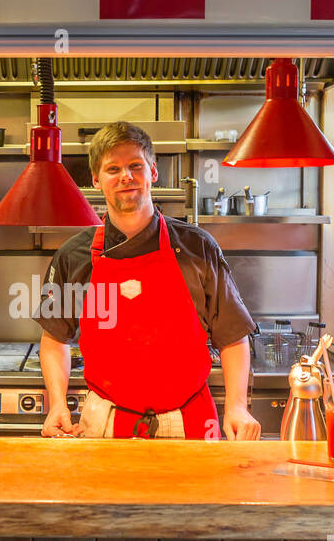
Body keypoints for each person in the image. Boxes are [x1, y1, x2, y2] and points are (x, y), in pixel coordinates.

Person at [36, 122, 262, 440]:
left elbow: (233, 338)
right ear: (96, 179)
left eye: (135, 165)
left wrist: (237, 406)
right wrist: (57, 403)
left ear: (152, 171)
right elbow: (55, 340)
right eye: (113, 168)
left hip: (190, 418)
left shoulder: (197, 247)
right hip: (106, 421)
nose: (126, 176)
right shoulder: (74, 255)